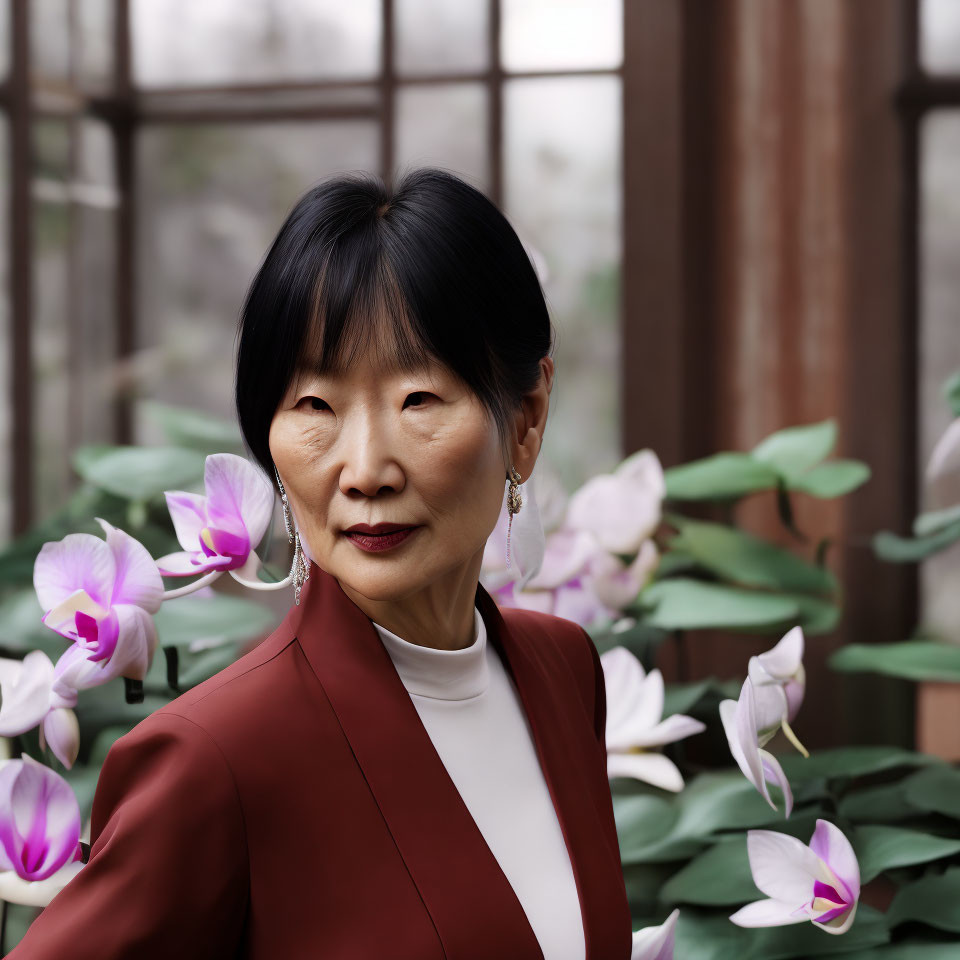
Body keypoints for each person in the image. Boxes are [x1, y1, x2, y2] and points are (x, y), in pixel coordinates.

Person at [8, 167, 632, 958]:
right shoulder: (215, 759)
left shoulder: (564, 671)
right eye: (314, 406)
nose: (365, 469)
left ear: (527, 419)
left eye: (419, 399)